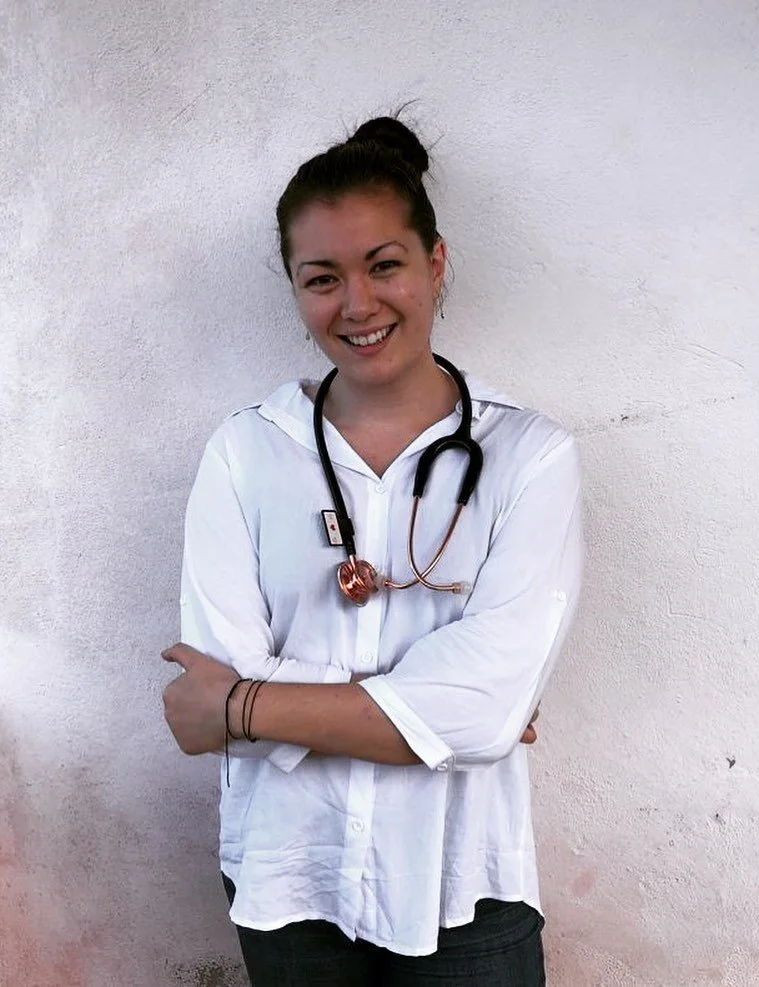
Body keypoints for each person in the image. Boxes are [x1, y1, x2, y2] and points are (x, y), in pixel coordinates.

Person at [162, 115, 583, 987]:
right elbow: (221, 669)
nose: (355, 305)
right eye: (322, 278)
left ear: (434, 263)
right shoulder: (246, 451)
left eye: (383, 265)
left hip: (460, 883)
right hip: (290, 876)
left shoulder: (529, 456)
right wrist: (433, 712)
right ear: (294, 288)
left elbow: (479, 707)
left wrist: (242, 708)